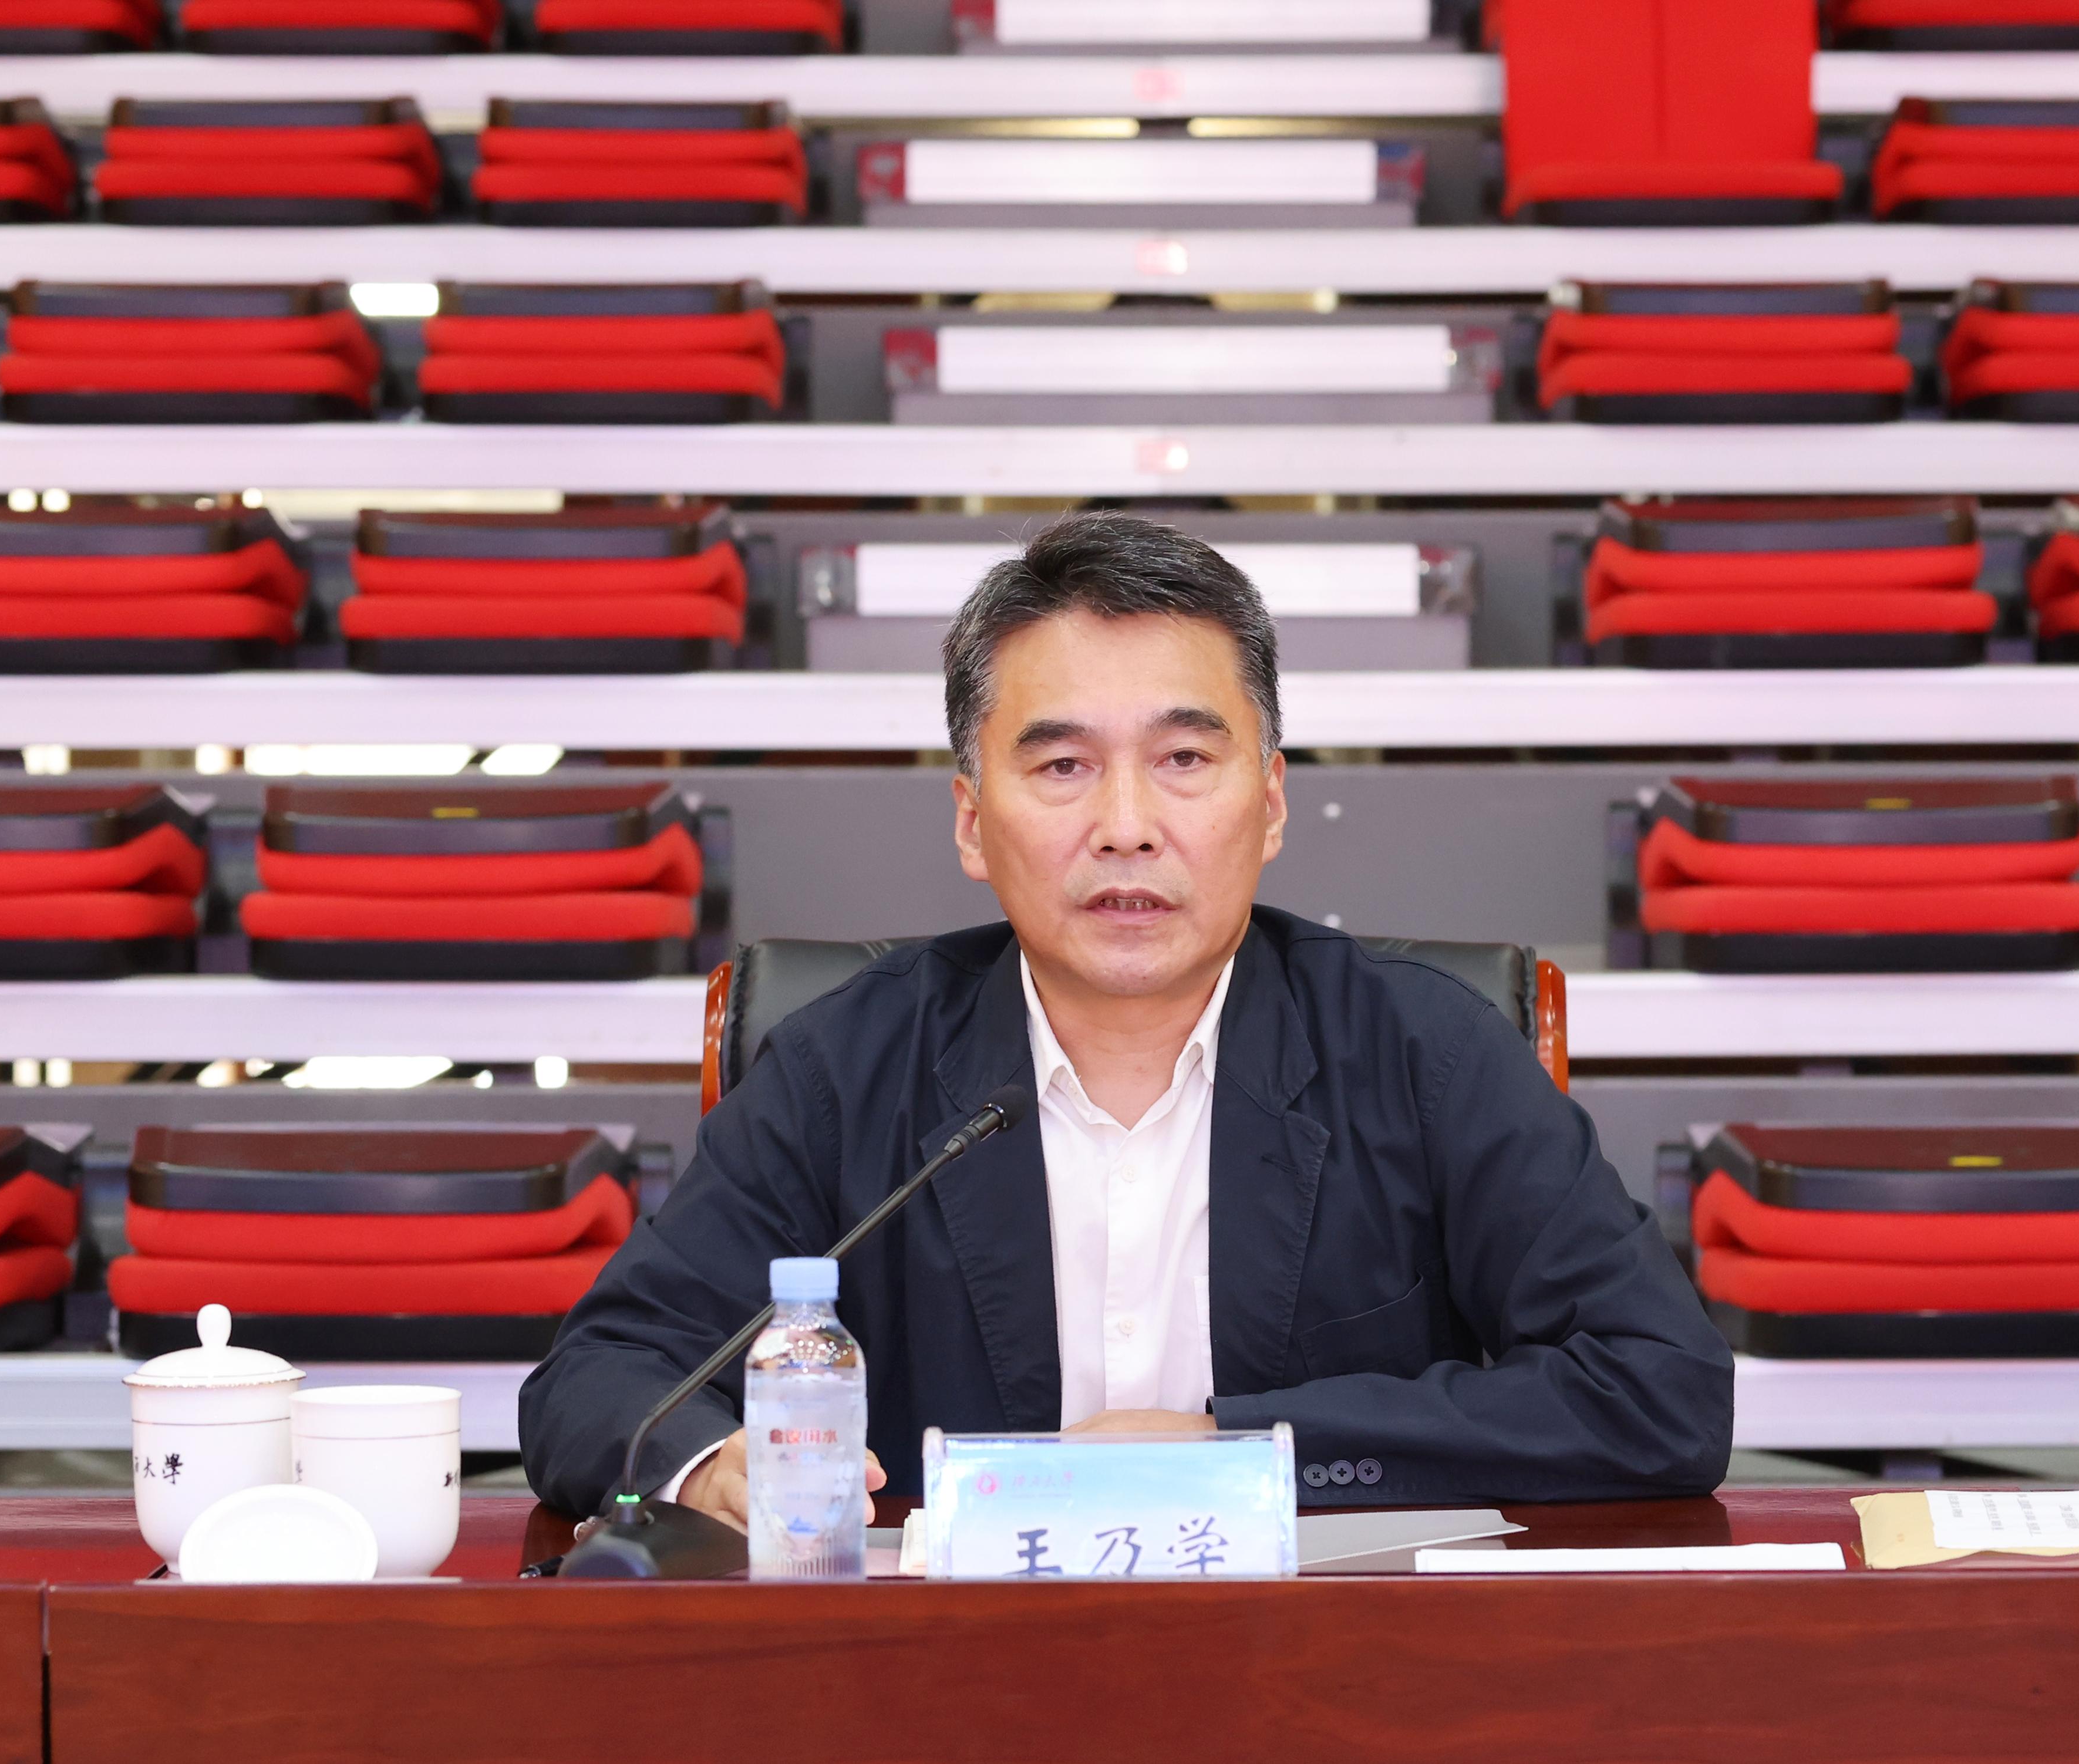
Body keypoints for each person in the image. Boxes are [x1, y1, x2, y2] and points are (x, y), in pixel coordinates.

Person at [520, 511, 1733, 1524]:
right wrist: (709, 1467)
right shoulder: (844, 1066)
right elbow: (600, 1377)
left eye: (1184, 761)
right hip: (940, 1674)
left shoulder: (1426, 1053)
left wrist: (1243, 1449)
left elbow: (1660, 1390)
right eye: (1062, 767)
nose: (1126, 827)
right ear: (969, 820)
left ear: (1269, 804)